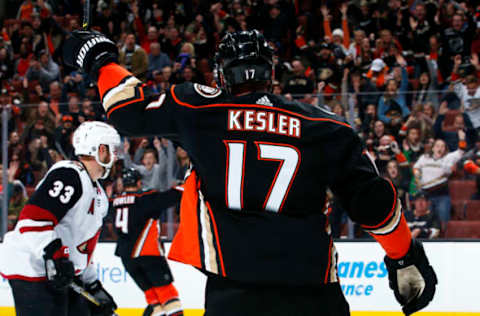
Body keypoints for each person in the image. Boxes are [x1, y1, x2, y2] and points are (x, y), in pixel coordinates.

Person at [65, 29, 437, 316]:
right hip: (314, 291)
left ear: (222, 74)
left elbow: (126, 109)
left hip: (234, 293)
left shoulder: (197, 106)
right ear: (271, 73)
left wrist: (100, 59)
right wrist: (404, 256)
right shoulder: (327, 126)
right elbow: (374, 202)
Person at [0, 121, 120, 316]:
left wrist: (92, 284)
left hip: (59, 272)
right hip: (34, 268)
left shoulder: (98, 195)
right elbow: (33, 220)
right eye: (112, 150)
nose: (115, 156)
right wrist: (56, 256)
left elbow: (82, 246)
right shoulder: (69, 174)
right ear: (101, 149)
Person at [111, 168, 183, 316]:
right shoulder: (144, 198)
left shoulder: (115, 202)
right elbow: (172, 196)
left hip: (126, 258)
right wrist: (187, 184)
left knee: (154, 301)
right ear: (138, 183)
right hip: (147, 253)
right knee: (168, 295)